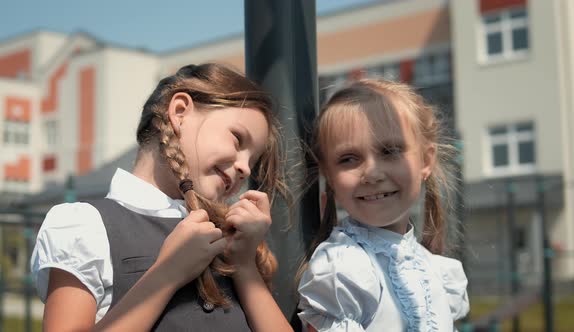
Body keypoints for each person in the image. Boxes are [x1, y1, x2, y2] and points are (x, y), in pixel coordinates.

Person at [31, 63, 294, 331]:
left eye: (253, 160)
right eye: (238, 140)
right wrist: (168, 272)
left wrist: (244, 264)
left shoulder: (229, 241)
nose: (245, 168)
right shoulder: (87, 225)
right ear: (180, 113)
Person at [297, 79, 469, 331]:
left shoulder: (437, 271)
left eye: (389, 151)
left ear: (426, 160)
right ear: (329, 176)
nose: (373, 173)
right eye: (348, 159)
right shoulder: (343, 270)